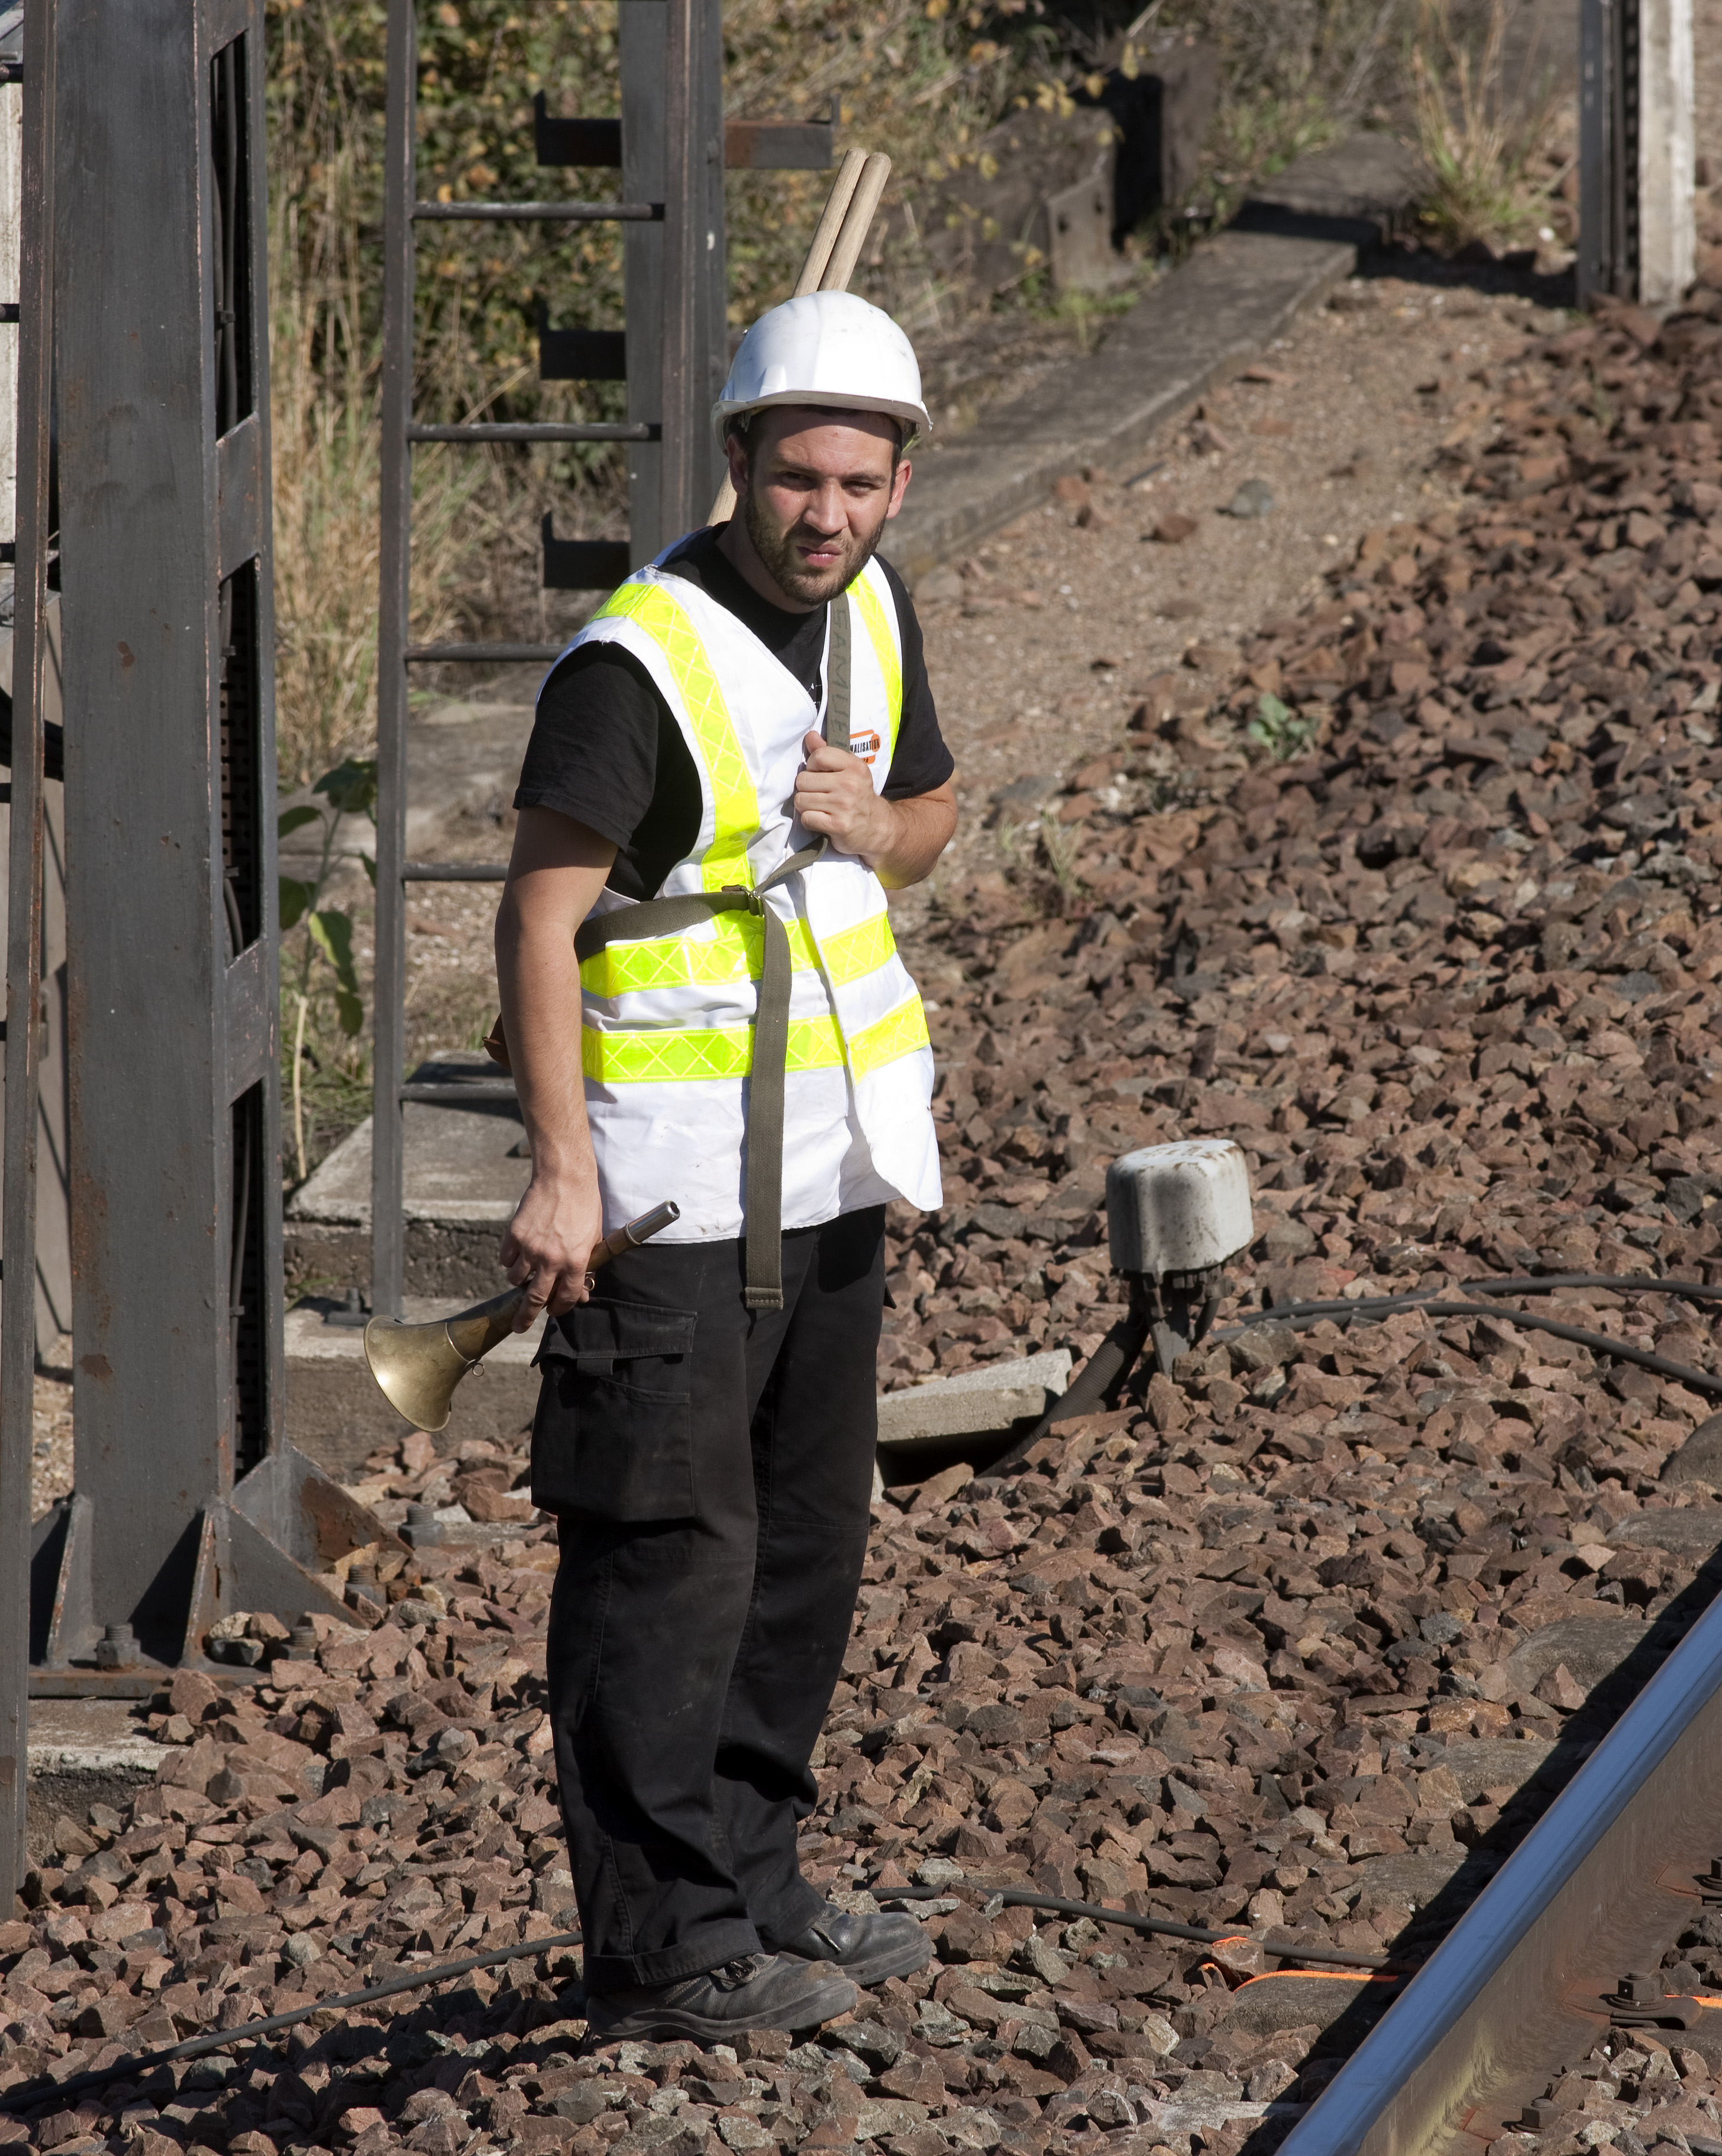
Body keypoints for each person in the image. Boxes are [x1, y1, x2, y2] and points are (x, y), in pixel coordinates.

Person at [494, 290, 960, 2043]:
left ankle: (756, 1883)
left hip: (833, 1171)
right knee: (663, 1562)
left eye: (858, 481)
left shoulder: (876, 615)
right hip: (668, 1189)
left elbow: (931, 814)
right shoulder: (638, 664)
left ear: (901, 482)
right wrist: (560, 1173)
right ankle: (658, 1948)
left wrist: (879, 828)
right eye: (796, 477)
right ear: (738, 464)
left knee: (802, 1555)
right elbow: (537, 923)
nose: (824, 513)